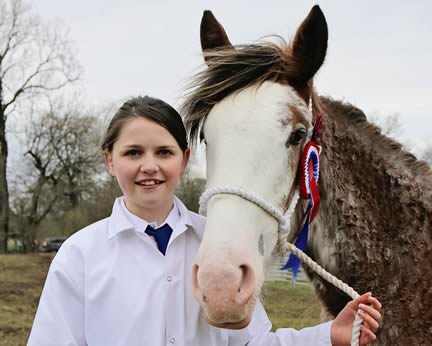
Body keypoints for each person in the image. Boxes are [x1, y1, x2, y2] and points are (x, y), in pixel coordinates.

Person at [28, 96, 382, 346]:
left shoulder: (217, 246)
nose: (149, 166)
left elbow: (254, 344)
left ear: (183, 161)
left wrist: (326, 336)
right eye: (133, 153)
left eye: (163, 152)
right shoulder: (79, 255)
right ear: (109, 160)